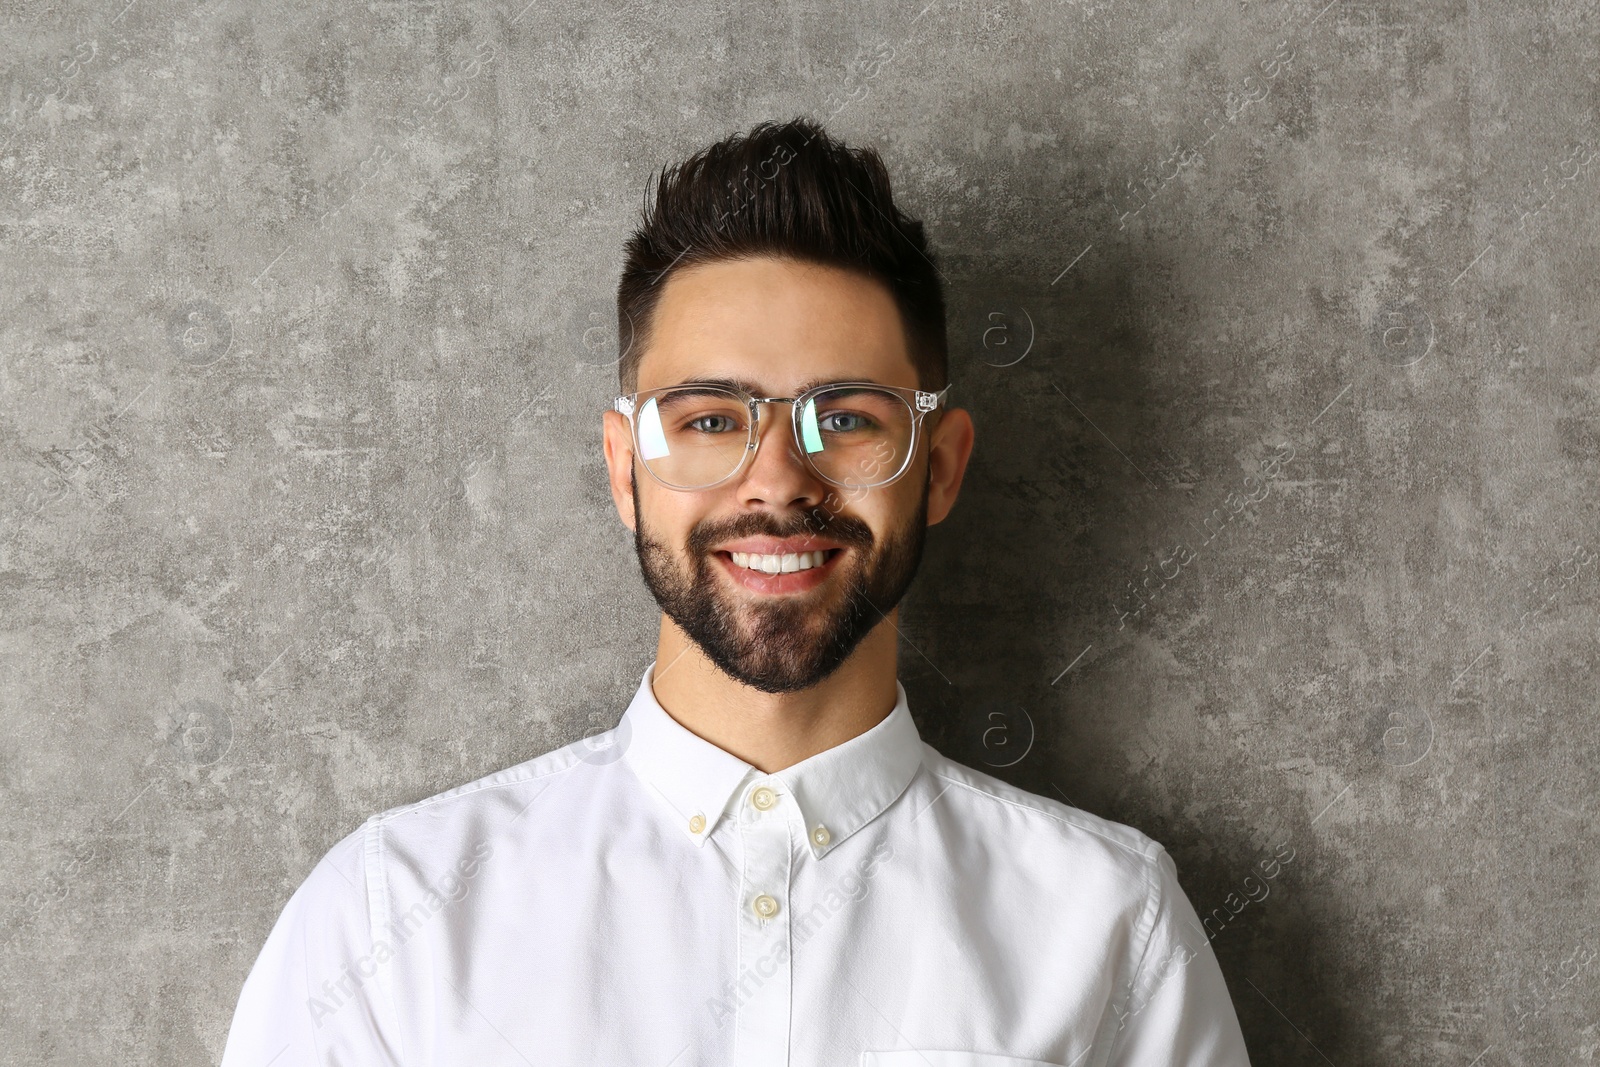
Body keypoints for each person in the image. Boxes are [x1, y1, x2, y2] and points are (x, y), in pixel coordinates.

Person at [219, 117, 1251, 1067]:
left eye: (846, 417)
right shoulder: (390, 915)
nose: (777, 480)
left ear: (937, 465)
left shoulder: (1108, 923)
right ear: (625, 468)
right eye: (711, 417)